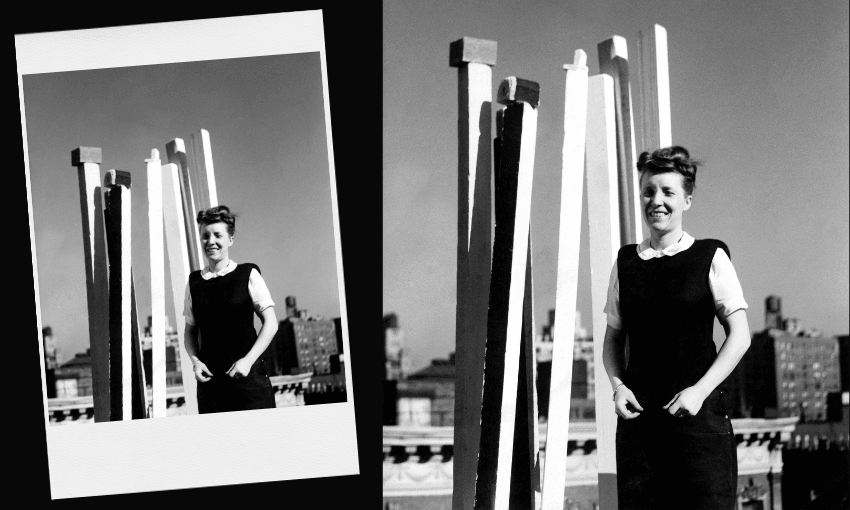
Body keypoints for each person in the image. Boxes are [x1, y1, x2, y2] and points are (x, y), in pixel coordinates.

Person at [602, 146, 751, 509]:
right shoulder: (625, 263)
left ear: (687, 200)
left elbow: (740, 335)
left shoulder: (710, 256)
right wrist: (618, 387)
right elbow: (612, 339)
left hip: (700, 426)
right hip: (641, 431)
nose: (657, 201)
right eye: (648, 192)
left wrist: (699, 392)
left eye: (668, 192)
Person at [183, 205, 279, 413]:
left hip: (249, 382)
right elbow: (189, 331)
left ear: (230, 240)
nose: (211, 241)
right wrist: (196, 362)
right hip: (211, 388)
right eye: (205, 236)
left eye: (218, 235)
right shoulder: (194, 283)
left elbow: (271, 323)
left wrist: (248, 361)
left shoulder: (248, 274)